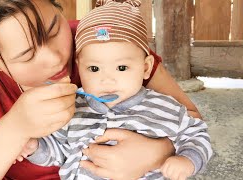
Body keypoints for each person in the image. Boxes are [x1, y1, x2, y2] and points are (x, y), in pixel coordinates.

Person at [0, 0, 202, 179]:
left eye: (53, 29)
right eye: (26, 55)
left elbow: (189, 117)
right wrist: (15, 127)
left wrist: (157, 152)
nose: (56, 58)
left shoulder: (100, 43)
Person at [20, 1, 212, 180]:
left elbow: (196, 133)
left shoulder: (164, 107)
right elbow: (58, 151)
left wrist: (188, 160)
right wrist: (35, 148)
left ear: (145, 68)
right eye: (94, 69)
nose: (107, 80)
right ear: (79, 67)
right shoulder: (72, 110)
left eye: (121, 68)